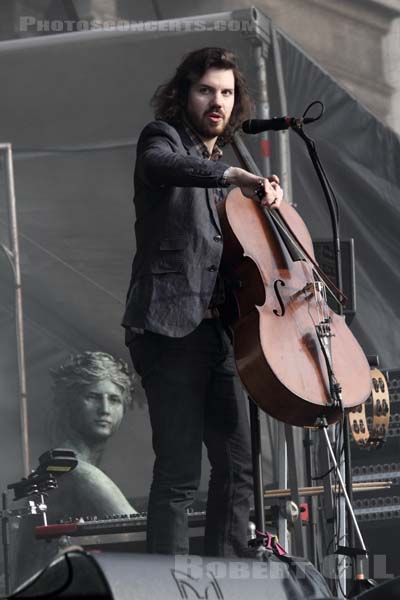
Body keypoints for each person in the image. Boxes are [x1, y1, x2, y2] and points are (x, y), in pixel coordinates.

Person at [122, 47, 283, 557]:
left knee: (238, 463)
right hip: (168, 326)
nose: (218, 102)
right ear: (184, 94)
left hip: (220, 333)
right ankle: (168, 585)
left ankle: (229, 575)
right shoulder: (163, 138)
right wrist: (234, 178)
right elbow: (162, 166)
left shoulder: (224, 159)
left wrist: (267, 198)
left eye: (228, 93)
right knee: (178, 470)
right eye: (206, 90)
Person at [13, 352, 137, 587]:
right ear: (69, 401)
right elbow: (139, 535)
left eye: (114, 399)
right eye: (93, 396)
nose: (104, 409)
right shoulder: (71, 470)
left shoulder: (62, 463)